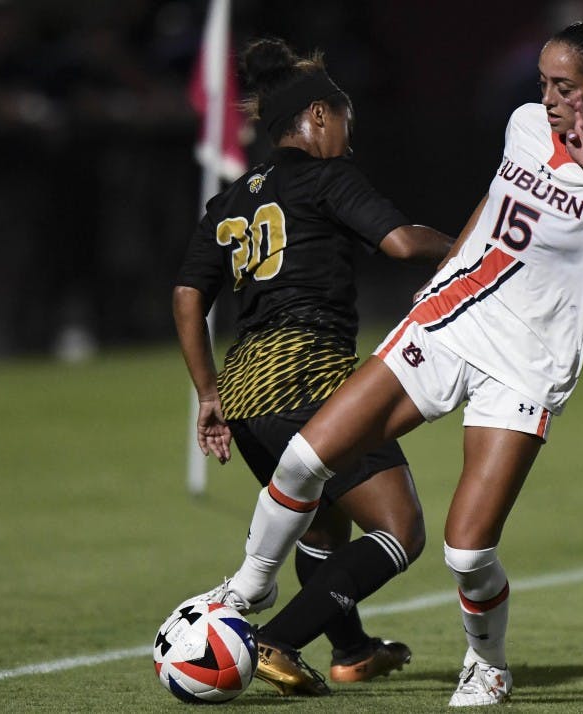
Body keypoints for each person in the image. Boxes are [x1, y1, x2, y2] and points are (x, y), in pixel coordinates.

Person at [191, 19, 583, 706]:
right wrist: (456, 260)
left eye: (564, 87)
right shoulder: (521, 124)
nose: (547, 98)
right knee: (306, 459)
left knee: (467, 554)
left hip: (528, 361)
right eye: (543, 81)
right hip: (454, 319)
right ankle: (250, 586)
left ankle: (488, 664)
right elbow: (497, 198)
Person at [173, 38, 453, 695]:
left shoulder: (234, 196)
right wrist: (480, 247)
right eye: (345, 122)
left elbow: (188, 294)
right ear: (320, 117)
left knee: (324, 524)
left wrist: (207, 392)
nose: (349, 139)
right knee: (399, 530)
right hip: (311, 380)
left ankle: (352, 650)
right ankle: (276, 640)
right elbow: (402, 242)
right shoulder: (328, 178)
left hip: (245, 392)